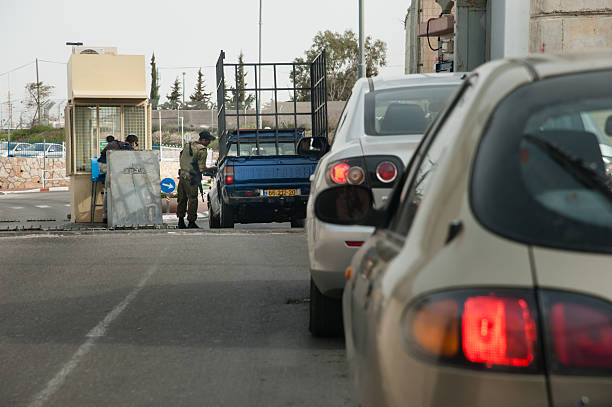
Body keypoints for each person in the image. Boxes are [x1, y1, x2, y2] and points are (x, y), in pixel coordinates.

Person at [177, 130, 217, 229]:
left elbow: (181, 155)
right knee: (193, 199)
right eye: (208, 141)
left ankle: (181, 221)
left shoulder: (188, 145)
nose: (209, 143)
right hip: (192, 178)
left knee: (182, 199)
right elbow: (201, 169)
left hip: (182, 176)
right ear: (203, 140)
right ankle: (191, 222)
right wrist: (213, 168)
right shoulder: (202, 150)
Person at [97, 134, 139, 222]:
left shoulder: (119, 144)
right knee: (111, 190)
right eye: (136, 144)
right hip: (107, 167)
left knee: (109, 190)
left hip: (103, 165)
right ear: (134, 143)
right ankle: (113, 215)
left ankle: (106, 215)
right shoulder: (127, 147)